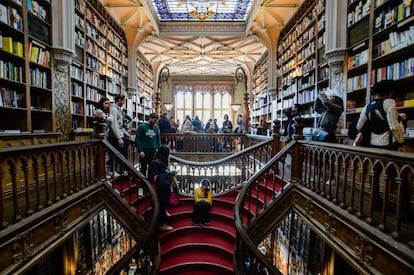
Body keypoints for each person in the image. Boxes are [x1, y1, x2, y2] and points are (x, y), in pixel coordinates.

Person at [356, 80, 406, 152]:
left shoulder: (367, 106)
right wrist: (401, 143)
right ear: (390, 93)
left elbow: (359, 127)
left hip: (372, 143)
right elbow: (394, 126)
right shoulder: (389, 102)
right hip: (388, 143)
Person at [148, 145, 177, 231]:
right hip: (159, 189)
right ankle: (161, 224)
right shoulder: (156, 163)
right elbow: (154, 177)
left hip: (163, 188)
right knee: (161, 205)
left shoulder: (161, 162)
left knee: (163, 204)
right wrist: (168, 174)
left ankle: (163, 214)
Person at [135, 113, 161, 178]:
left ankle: (150, 184)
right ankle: (143, 183)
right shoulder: (142, 127)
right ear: (150, 118)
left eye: (156, 121)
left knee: (152, 168)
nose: (155, 123)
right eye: (154, 121)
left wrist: (159, 149)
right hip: (144, 151)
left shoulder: (156, 128)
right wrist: (140, 150)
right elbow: (137, 139)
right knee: (143, 168)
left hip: (153, 151)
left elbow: (158, 139)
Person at [108, 94, 130, 159]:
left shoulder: (118, 109)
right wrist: (119, 138)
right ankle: (118, 169)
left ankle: (121, 169)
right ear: (120, 100)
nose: (124, 103)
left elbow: (120, 125)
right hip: (115, 137)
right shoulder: (113, 109)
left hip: (119, 135)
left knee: (123, 156)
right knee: (120, 157)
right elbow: (113, 125)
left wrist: (126, 133)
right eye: (123, 101)